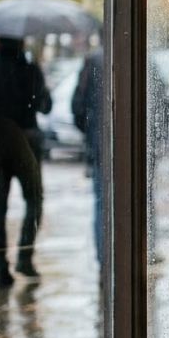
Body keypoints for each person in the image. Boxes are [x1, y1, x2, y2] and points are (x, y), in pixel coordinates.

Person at [0, 36, 52, 289]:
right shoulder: (29, 72)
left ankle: (0, 268)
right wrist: (38, 79)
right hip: (26, 148)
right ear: (21, 44)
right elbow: (45, 106)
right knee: (34, 202)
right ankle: (25, 257)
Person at [72, 47, 105, 265]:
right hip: (102, 143)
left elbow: (77, 106)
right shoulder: (142, 53)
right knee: (141, 199)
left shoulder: (92, 60)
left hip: (99, 144)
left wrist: (91, 132)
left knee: (103, 203)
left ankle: (104, 259)